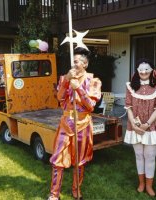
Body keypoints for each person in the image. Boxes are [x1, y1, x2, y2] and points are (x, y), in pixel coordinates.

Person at [48, 47, 102, 200]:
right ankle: (54, 194)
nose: (73, 64)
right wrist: (66, 82)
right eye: (73, 61)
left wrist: (78, 88)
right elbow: (59, 98)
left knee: (79, 162)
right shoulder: (65, 78)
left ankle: (76, 191)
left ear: (85, 64)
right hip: (66, 123)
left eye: (77, 61)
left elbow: (91, 106)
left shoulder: (93, 81)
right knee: (58, 159)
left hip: (83, 123)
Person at [124, 58, 156, 197]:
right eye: (141, 69)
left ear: (152, 70)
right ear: (137, 71)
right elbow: (129, 107)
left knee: (149, 156)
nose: (143, 72)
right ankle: (141, 183)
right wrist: (134, 125)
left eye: (146, 69)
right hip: (135, 125)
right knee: (139, 155)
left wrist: (147, 124)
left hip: (152, 125)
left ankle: (149, 185)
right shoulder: (131, 86)